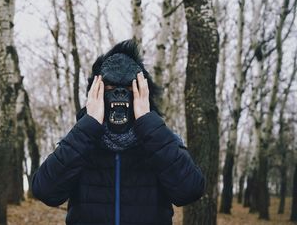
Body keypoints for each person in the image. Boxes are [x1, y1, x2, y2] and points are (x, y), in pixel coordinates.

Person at [31, 40, 205, 225]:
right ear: (96, 93)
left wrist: (147, 122)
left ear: (143, 92)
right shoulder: (82, 141)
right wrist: (89, 125)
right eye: (111, 88)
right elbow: (45, 191)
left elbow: (190, 190)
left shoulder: (157, 140)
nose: (120, 93)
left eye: (130, 87)